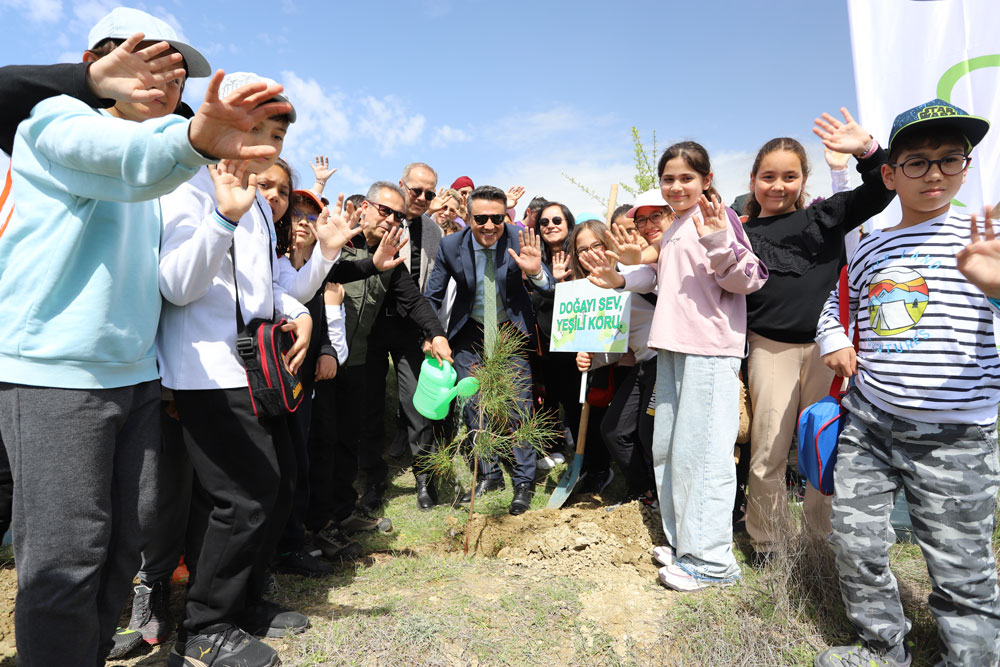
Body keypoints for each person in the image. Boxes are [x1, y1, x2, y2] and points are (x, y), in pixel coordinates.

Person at [0, 7, 290, 663]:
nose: (167, 80)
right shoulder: (56, 121)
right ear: (95, 62)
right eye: (149, 61)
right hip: (57, 375)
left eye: (178, 70)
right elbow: (124, 157)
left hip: (131, 376)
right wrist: (192, 142)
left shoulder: (169, 163)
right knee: (66, 563)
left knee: (116, 557)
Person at [155, 71, 360, 667]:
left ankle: (244, 603)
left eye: (277, 135)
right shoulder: (187, 185)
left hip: (254, 372)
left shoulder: (257, 205)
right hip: (204, 373)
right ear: (227, 122)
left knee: (271, 487)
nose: (269, 146)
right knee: (242, 498)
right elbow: (177, 286)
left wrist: (297, 311)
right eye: (259, 130)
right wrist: (221, 218)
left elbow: (269, 288)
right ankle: (204, 626)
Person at [814, 99, 999, 667]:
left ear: (967, 167)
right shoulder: (870, 243)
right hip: (871, 423)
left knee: (960, 565)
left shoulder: (987, 239)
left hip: (957, 434)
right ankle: (880, 648)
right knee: (855, 543)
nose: (935, 173)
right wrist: (834, 339)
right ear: (890, 175)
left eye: (950, 159)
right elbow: (836, 304)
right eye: (917, 162)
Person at [581, 142, 767, 591]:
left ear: (706, 179)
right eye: (669, 179)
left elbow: (749, 278)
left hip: (708, 351)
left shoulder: (718, 219)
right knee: (669, 451)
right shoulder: (678, 225)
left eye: (687, 177)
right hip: (672, 348)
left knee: (702, 457)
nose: (677, 186)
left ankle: (713, 563)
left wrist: (721, 239)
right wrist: (619, 279)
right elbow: (661, 273)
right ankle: (685, 542)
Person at [740, 110, 895, 563]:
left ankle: (818, 542)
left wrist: (866, 150)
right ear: (753, 180)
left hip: (829, 352)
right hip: (770, 349)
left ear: (803, 179)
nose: (778, 185)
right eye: (768, 176)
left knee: (822, 449)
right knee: (767, 451)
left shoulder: (824, 217)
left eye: (790, 176)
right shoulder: (741, 235)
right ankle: (768, 544)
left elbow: (883, 186)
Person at [425, 185, 554, 515]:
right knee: (472, 403)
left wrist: (535, 271)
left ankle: (524, 481)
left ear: (505, 216)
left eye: (497, 218)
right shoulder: (451, 245)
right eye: (480, 218)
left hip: (510, 331)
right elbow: (432, 296)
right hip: (469, 333)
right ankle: (490, 474)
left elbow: (548, 285)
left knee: (518, 408)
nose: (489, 225)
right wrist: (432, 333)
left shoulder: (519, 238)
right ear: (467, 217)